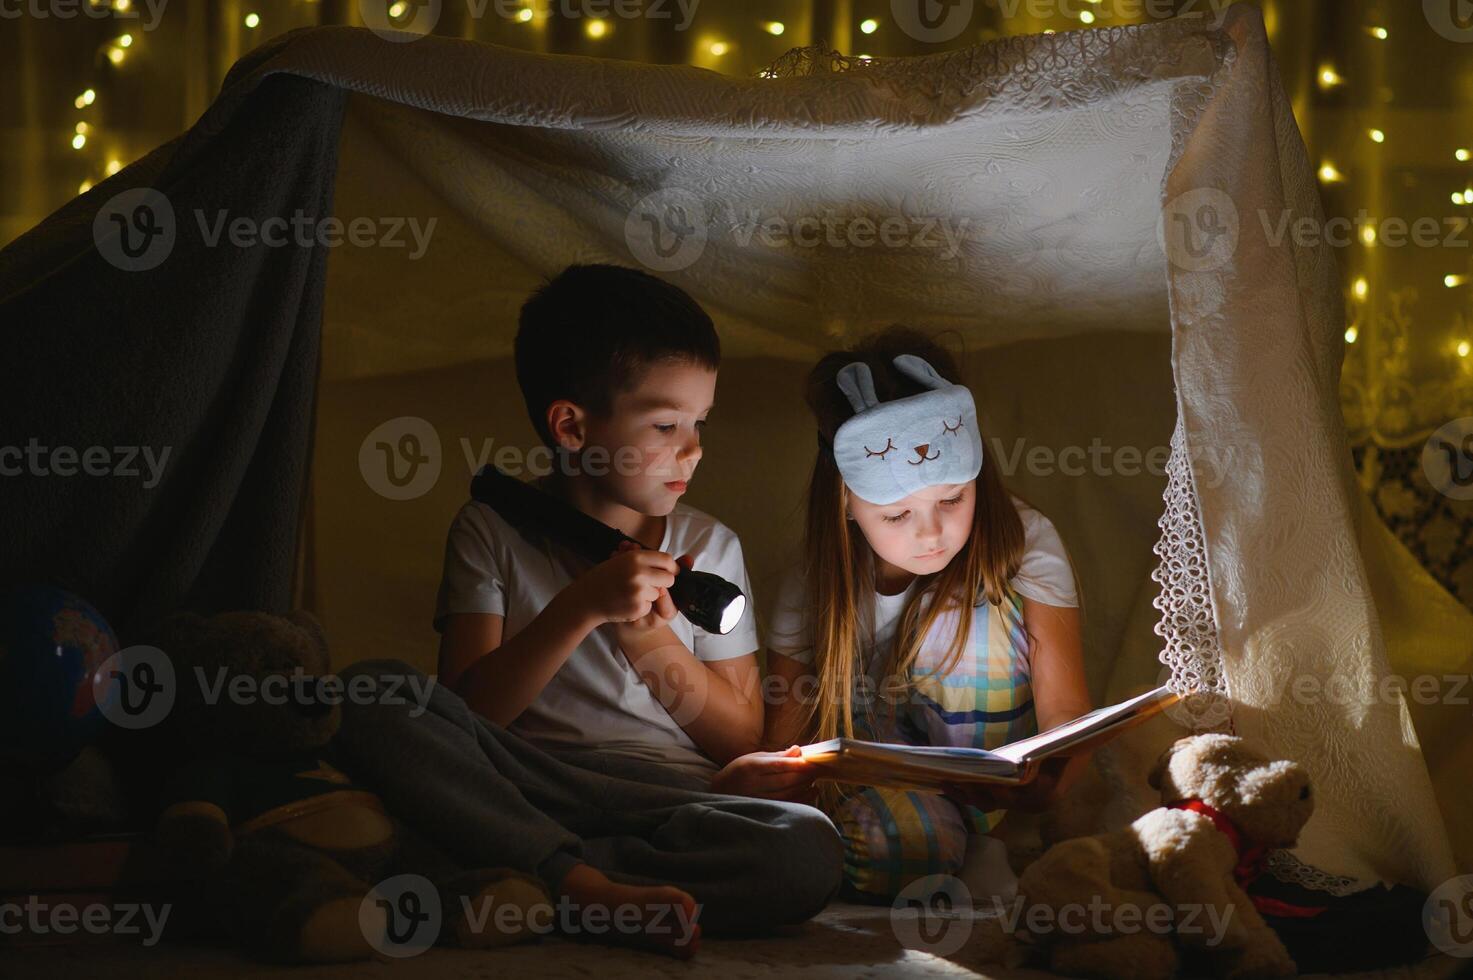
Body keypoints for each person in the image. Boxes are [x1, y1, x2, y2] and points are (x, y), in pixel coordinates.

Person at [332, 264, 841, 958]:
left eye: (698, 423)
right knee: (374, 698)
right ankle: (581, 888)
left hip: (665, 796)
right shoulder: (492, 531)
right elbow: (469, 712)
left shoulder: (709, 546)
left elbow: (737, 737)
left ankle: (533, 873)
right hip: (527, 779)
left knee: (806, 848)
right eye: (665, 423)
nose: (692, 448)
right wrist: (578, 609)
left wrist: (651, 644)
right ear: (572, 426)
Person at [763, 326, 1093, 902]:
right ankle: (943, 854)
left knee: (959, 616)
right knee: (905, 854)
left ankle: (995, 843)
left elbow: (1067, 709)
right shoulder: (815, 579)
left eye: (951, 499)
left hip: (996, 788)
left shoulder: (1024, 539)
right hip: (883, 785)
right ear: (846, 503)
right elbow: (784, 738)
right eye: (896, 516)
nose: (932, 532)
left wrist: (1050, 781)